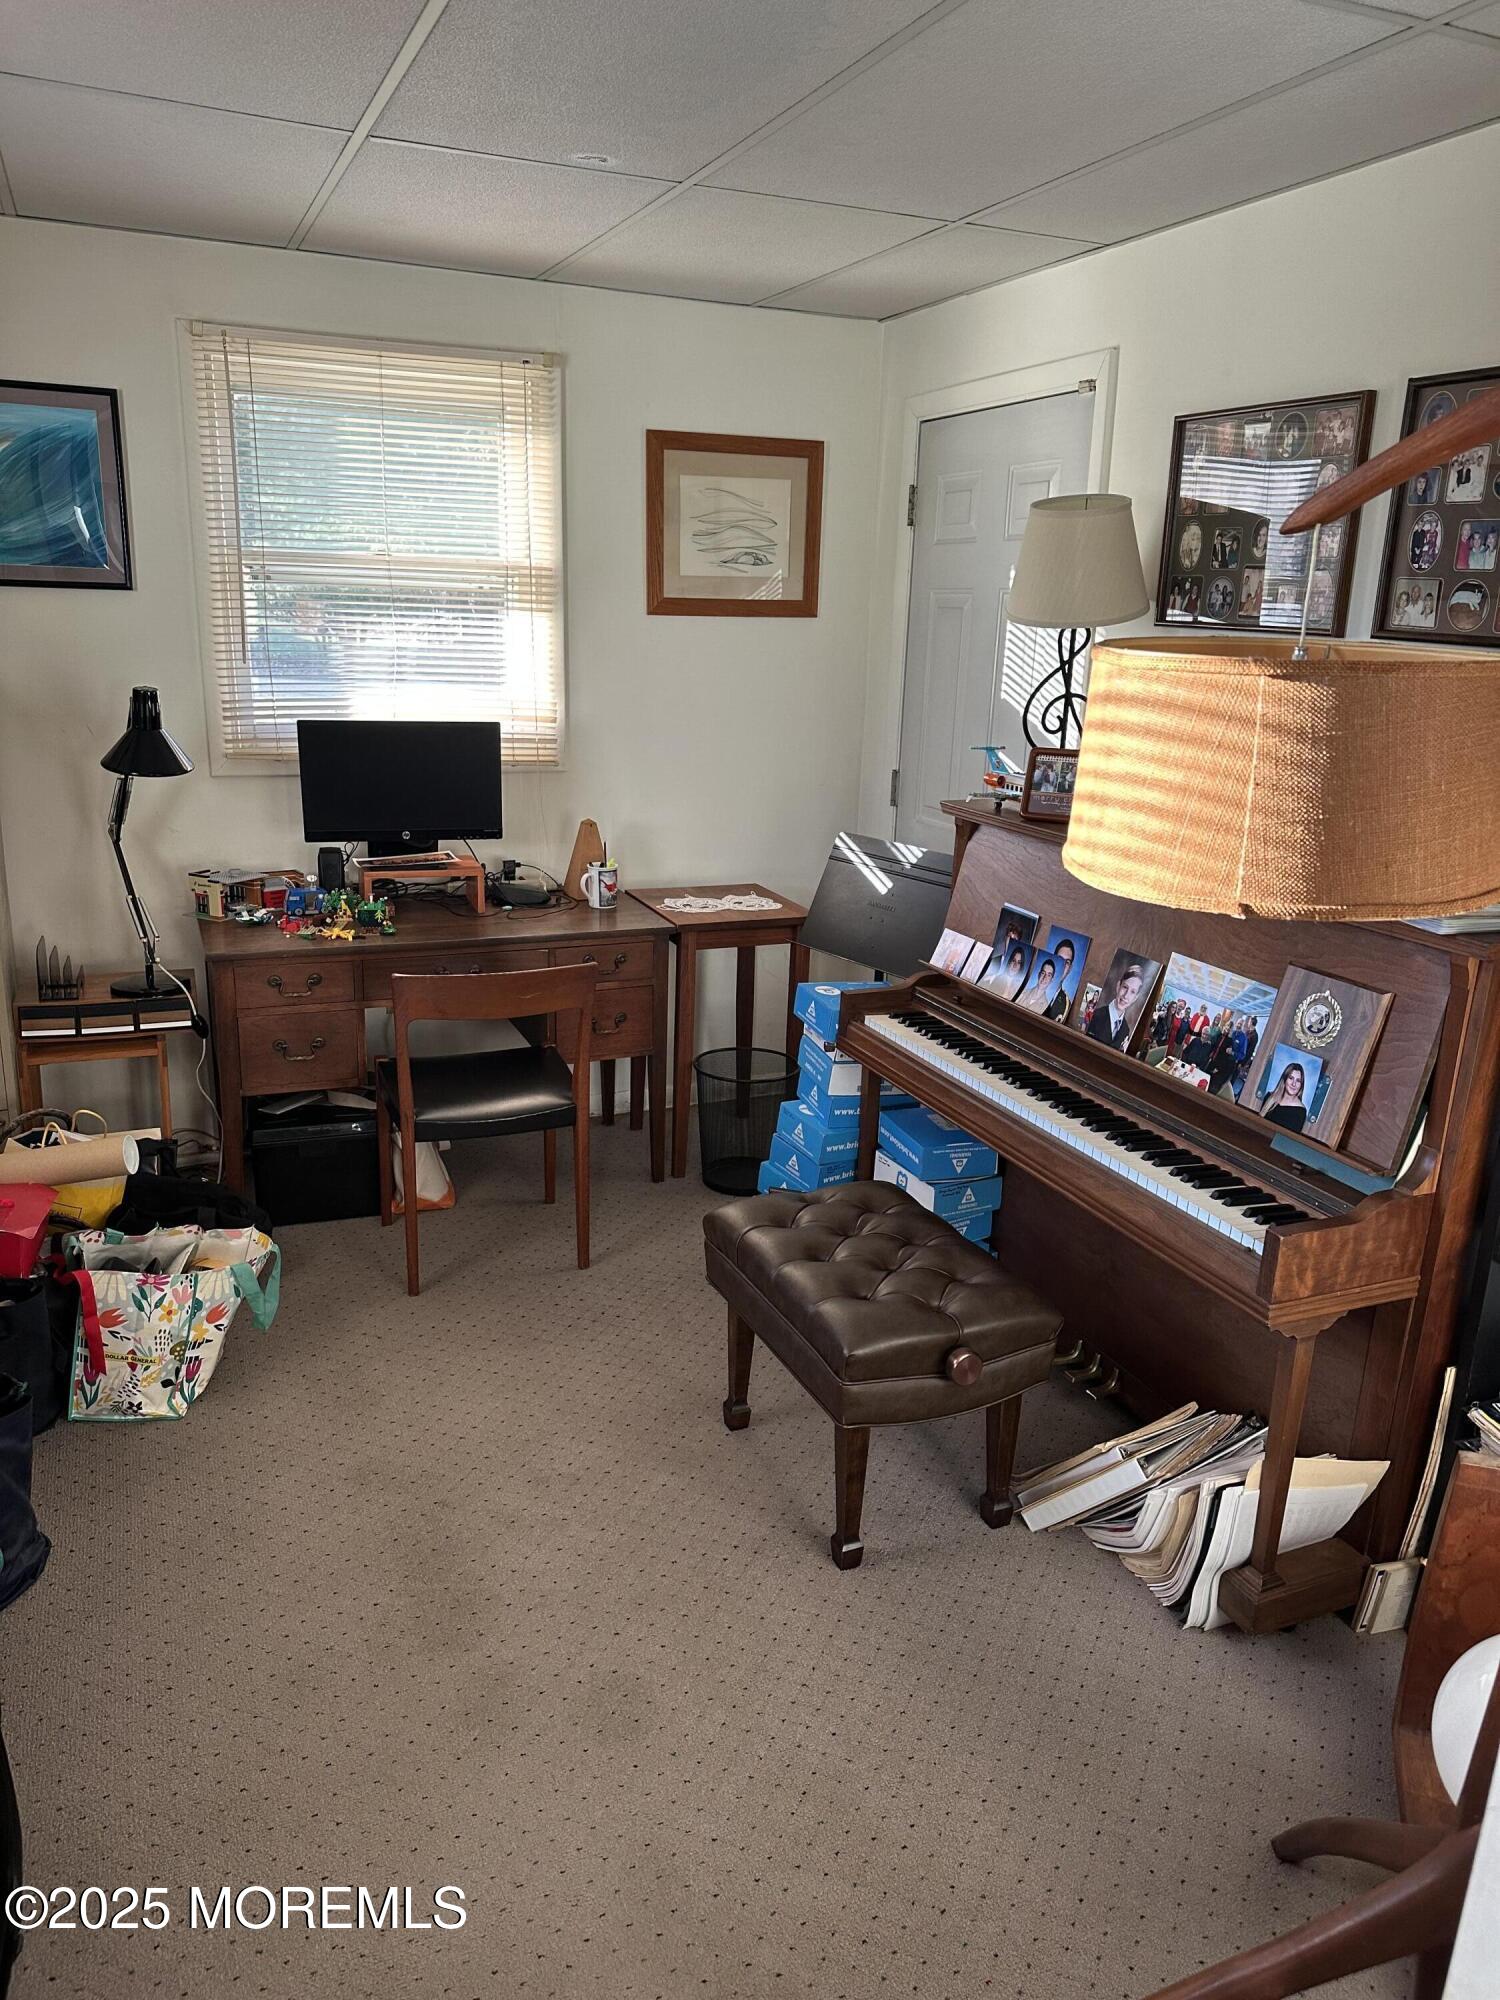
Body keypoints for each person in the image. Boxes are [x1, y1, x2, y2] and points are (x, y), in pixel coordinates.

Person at [1086, 963, 1144, 1050]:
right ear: (1118, 986)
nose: (1126, 996)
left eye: (1132, 992)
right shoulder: (1096, 1015)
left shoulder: (1126, 1029)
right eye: (1125, 987)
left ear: (1135, 998)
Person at [1260, 1059, 1310, 1132]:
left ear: (1301, 1085)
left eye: (1298, 1081)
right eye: (1291, 1078)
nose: (1294, 1084)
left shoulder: (1300, 1112)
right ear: (1284, 1079)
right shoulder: (1269, 1097)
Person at [1043, 939, 1077, 1021]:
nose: (1063, 965)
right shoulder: (1033, 987)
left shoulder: (1066, 1005)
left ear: (1070, 969)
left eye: (1067, 962)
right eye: (1060, 958)